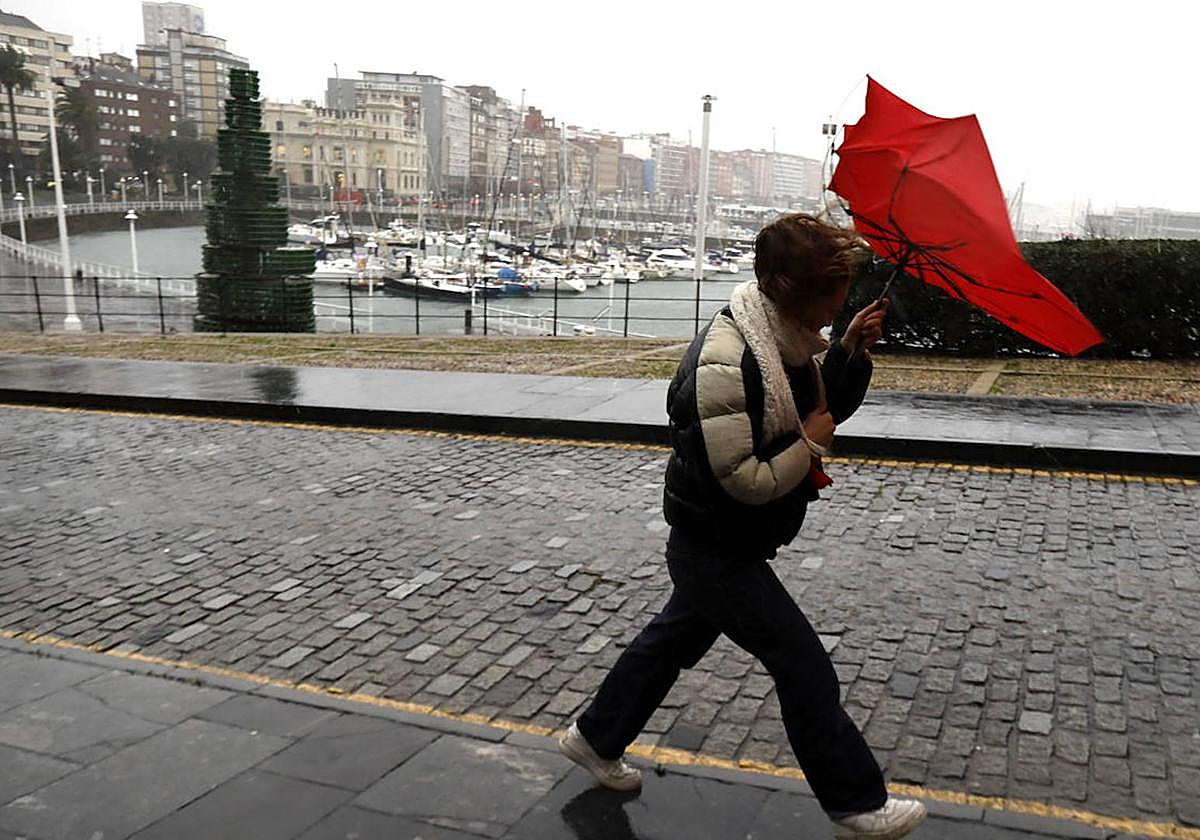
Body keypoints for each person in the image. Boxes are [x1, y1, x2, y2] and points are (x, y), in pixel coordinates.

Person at [559, 213, 927, 839]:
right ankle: (857, 805)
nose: (824, 324)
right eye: (824, 313)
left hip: (728, 539)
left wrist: (847, 353)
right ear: (791, 293)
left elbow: (819, 408)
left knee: (671, 642)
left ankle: (595, 736)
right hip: (715, 547)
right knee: (803, 665)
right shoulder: (727, 363)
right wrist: (808, 448)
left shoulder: (785, 338)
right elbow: (747, 478)